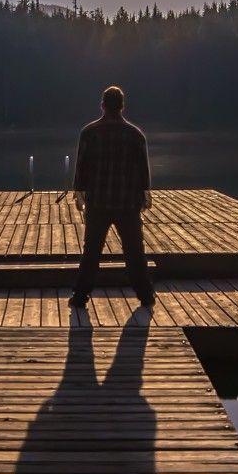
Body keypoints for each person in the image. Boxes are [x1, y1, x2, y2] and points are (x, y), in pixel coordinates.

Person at [69, 85, 154, 307]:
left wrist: (79, 192)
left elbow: (82, 167)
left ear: (102, 105)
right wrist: (146, 195)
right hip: (127, 203)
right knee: (135, 251)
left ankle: (80, 297)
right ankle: (146, 296)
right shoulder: (136, 135)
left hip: (98, 202)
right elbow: (143, 171)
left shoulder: (89, 132)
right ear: (122, 106)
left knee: (91, 252)